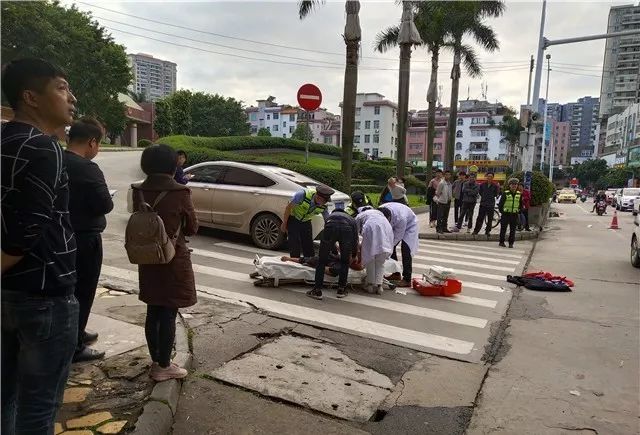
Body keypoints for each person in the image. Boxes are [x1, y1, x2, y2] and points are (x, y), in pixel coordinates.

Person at [1, 58, 79, 434]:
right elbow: (26, 232)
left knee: (5, 397)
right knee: (39, 409)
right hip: (45, 297)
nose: (72, 98)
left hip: (8, 296)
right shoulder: (44, 148)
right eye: (62, 88)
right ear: (31, 97)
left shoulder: (5, 140)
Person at [131, 144, 199, 381]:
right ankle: (163, 365)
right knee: (168, 311)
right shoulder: (180, 192)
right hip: (172, 257)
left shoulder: (138, 190)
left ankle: (156, 361)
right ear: (173, 165)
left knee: (153, 309)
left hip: (147, 257)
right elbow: (192, 227)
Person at [65, 117, 114, 362]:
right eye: (100, 144)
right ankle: (75, 345)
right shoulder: (88, 168)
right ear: (92, 142)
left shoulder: (57, 160)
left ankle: (75, 332)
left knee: (68, 289)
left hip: (61, 237)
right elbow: (105, 204)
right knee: (83, 290)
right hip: (85, 239)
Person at [306, 208, 358, 300]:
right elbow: (355, 241)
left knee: (321, 261)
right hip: (347, 229)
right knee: (344, 261)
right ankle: (341, 290)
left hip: (330, 226)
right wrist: (354, 255)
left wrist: (331, 252)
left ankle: (317, 291)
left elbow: (328, 239)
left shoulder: (330, 217)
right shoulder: (351, 219)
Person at [281, 185, 334, 258]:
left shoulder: (324, 205)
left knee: (308, 245)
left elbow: (327, 219)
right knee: (294, 244)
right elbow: (288, 208)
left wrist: (331, 231)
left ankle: (309, 262)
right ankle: (294, 263)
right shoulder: (302, 195)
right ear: (318, 197)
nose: (324, 203)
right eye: (323, 201)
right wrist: (284, 223)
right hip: (294, 219)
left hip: (306, 221)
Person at [379, 202, 419, 287]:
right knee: (389, 246)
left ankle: (407, 279)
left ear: (390, 217)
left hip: (410, 226)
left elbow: (397, 237)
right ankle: (396, 274)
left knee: (406, 249)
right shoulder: (379, 211)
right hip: (395, 225)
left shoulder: (401, 218)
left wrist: (388, 249)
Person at [356, 208, 394, 295]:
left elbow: (355, 230)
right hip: (386, 228)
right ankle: (379, 286)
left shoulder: (361, 215)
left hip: (371, 227)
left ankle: (370, 285)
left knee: (370, 260)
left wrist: (357, 246)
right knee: (380, 262)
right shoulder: (382, 217)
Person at [473, 172, 500, 237]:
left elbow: (496, 194)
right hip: (483, 203)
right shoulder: (482, 185)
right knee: (480, 218)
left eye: (491, 176)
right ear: (486, 177)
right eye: (488, 176)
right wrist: (485, 197)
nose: (489, 177)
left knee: (490, 219)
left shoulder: (495, 186)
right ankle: (476, 230)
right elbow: (480, 192)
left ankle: (487, 231)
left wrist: (490, 197)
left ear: (493, 178)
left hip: (490, 204)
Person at [498, 178, 523, 248]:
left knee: (513, 230)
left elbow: (521, 204)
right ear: (509, 185)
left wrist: (520, 210)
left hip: (514, 214)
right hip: (506, 214)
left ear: (517, 185)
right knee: (503, 229)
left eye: (515, 184)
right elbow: (500, 204)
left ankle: (511, 243)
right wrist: (502, 211)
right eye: (512, 184)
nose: (514, 186)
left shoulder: (519, 194)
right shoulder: (505, 193)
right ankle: (501, 242)